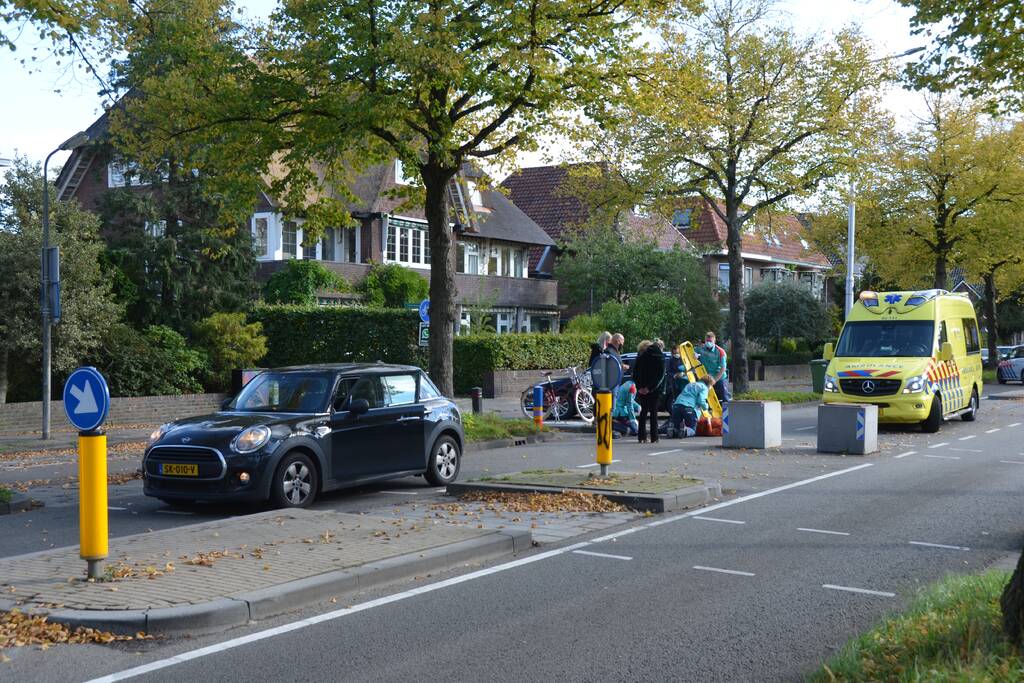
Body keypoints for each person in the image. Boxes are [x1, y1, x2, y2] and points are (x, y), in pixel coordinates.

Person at [633, 339, 666, 443]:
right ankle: (654, 436)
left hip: (642, 389)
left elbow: (635, 373)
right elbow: (660, 375)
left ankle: (641, 436)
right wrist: (650, 388)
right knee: (653, 412)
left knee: (643, 412)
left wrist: (640, 387)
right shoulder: (659, 357)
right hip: (654, 389)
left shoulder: (640, 357)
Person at [697, 331, 731, 403]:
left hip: (719, 378)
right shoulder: (700, 349)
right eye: (707, 340)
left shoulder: (721, 352)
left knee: (725, 396)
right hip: (706, 377)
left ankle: (727, 413)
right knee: (700, 395)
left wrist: (714, 381)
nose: (708, 342)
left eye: (710, 341)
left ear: (714, 341)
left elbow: (723, 369)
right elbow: (690, 352)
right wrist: (693, 354)